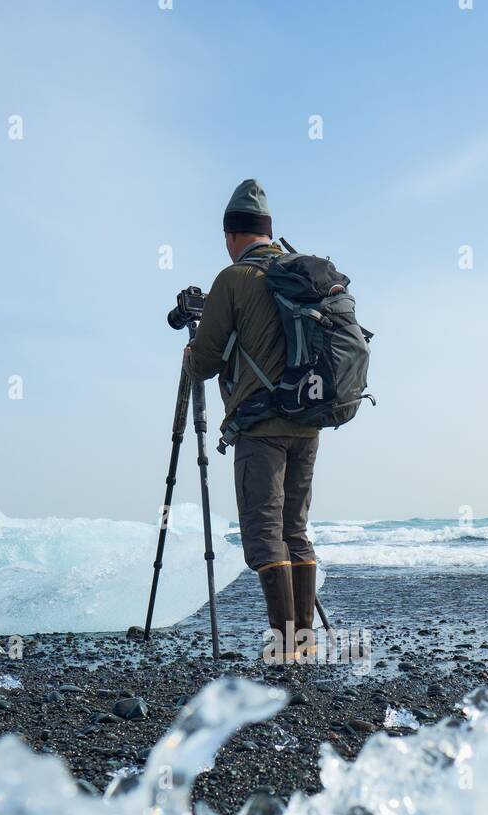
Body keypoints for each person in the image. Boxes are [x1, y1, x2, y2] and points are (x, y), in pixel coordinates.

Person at [185, 179, 318, 661]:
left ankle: (287, 646)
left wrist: (190, 349)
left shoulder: (234, 280)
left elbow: (204, 361)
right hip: (309, 421)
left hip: (261, 425)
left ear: (232, 234)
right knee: (294, 527)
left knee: (264, 531)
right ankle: (303, 641)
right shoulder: (297, 270)